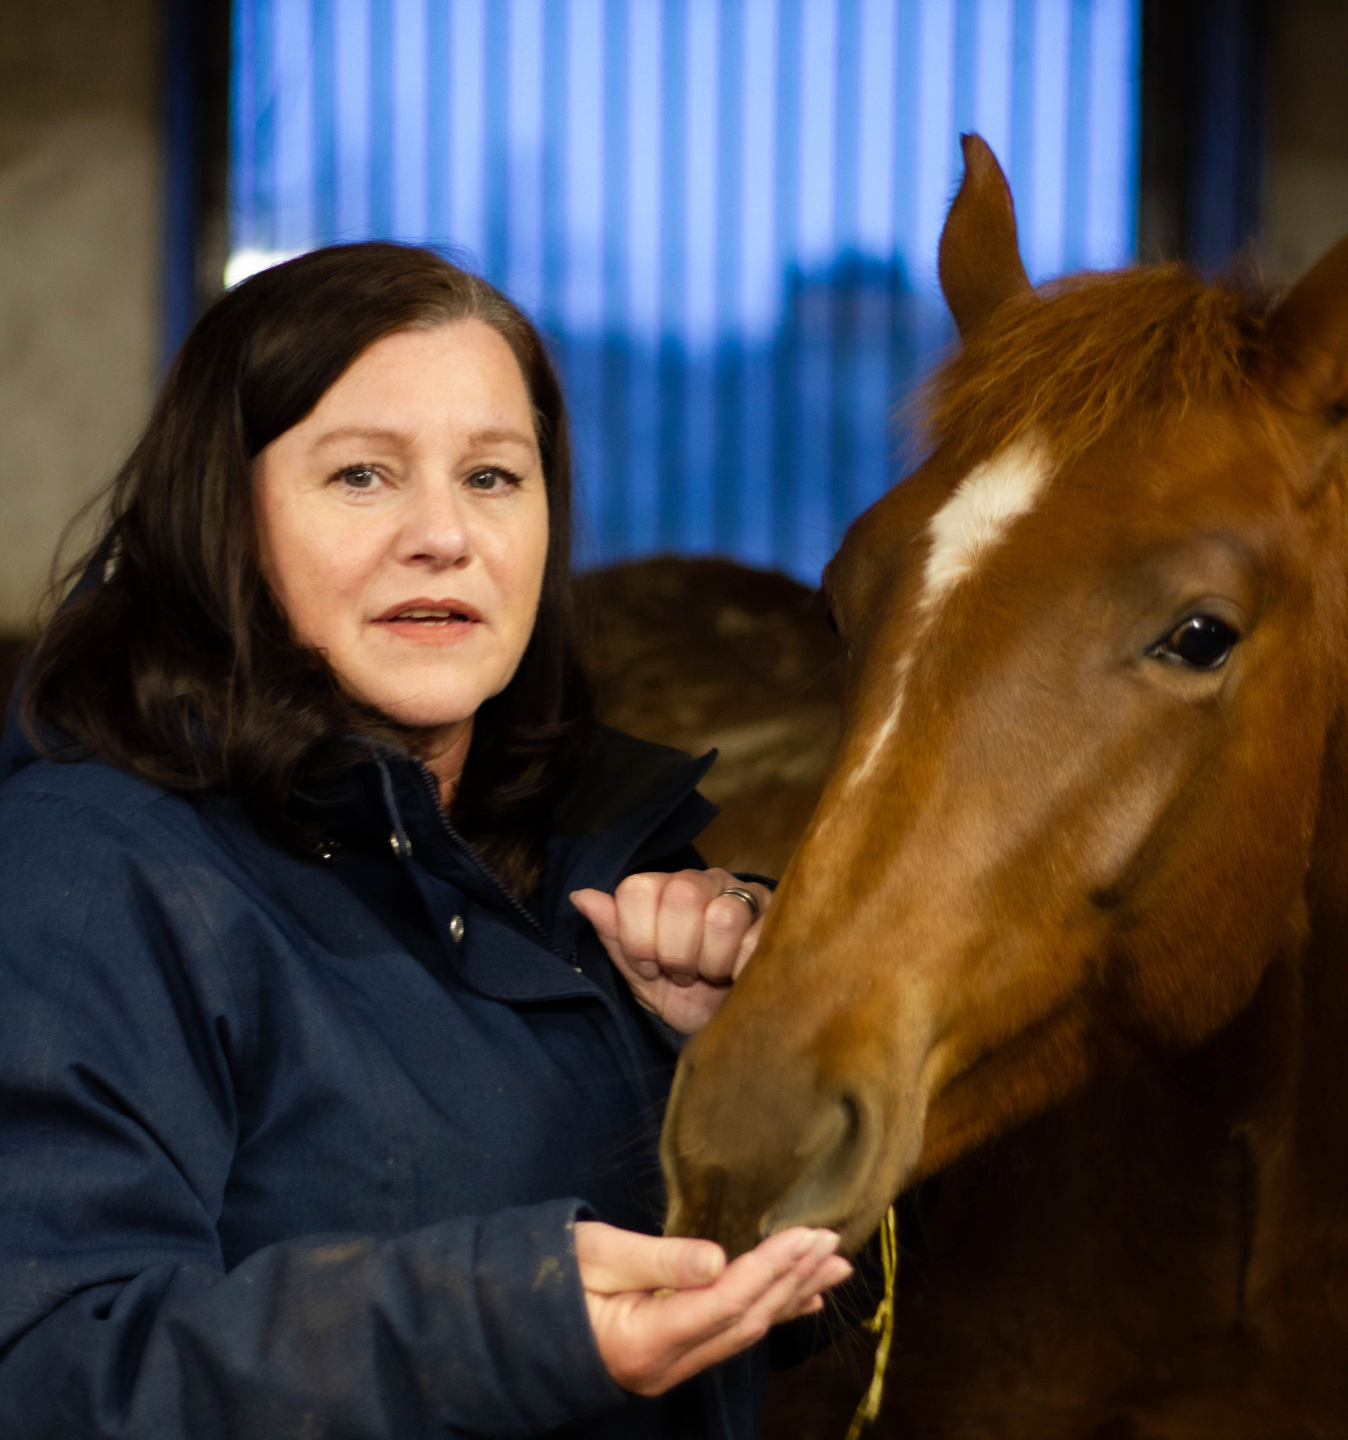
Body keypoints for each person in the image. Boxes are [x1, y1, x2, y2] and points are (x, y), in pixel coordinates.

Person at [0, 243, 852, 1439]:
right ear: (221, 516)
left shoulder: (593, 869)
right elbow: (50, 1379)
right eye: (361, 476)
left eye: (495, 477)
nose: (444, 536)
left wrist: (727, 1077)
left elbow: (781, 1326)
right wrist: (512, 1319)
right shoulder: (91, 878)